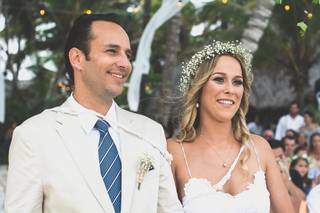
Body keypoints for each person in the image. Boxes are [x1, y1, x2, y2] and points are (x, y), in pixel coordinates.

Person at [5, 14, 183, 213]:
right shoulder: (34, 135)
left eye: (128, 55)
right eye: (112, 51)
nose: (125, 63)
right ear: (77, 58)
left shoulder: (150, 132)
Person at [167, 41, 294, 212]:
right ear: (198, 88)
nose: (230, 90)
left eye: (237, 82)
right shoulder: (174, 152)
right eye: (219, 79)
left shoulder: (260, 148)